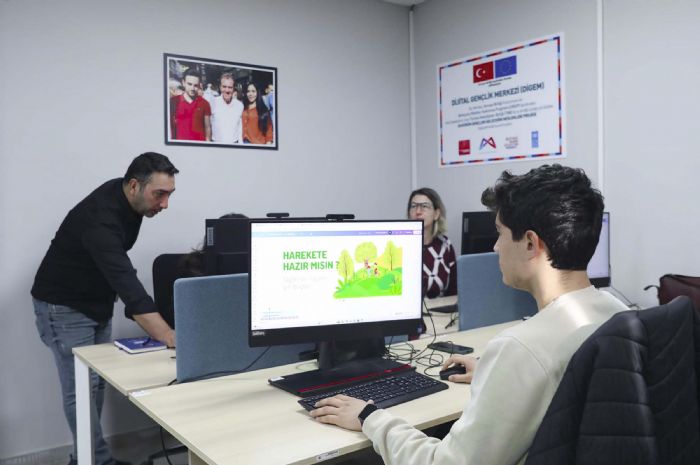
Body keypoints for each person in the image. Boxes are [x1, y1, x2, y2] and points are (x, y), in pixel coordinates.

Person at [309, 164, 629, 465]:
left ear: (531, 243)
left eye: (500, 233)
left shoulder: (521, 349)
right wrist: (498, 376)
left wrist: (370, 417)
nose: (496, 247)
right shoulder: (618, 313)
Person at [31, 152, 179, 465]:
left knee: (94, 385)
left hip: (96, 302)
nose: (165, 204)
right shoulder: (99, 217)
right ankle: (95, 460)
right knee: (80, 390)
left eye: (169, 195)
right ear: (135, 185)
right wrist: (168, 334)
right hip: (64, 307)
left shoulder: (127, 198)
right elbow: (124, 278)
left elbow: (116, 265)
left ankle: (87, 459)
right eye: (160, 195)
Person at [408, 187, 457, 299]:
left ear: (436, 214)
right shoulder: (401, 246)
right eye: (413, 206)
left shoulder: (445, 245)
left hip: (440, 309)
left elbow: (453, 291)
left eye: (424, 206)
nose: (418, 212)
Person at [170, 68, 211, 141]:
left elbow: (207, 127)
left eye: (195, 85)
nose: (192, 88)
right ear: (183, 82)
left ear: (199, 85)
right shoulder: (173, 102)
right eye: (189, 84)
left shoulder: (205, 103)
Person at [210, 73, 244, 144]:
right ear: (220, 87)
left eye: (230, 87)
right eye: (224, 86)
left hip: (234, 145)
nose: (227, 90)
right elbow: (208, 126)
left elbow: (240, 128)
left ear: (233, 88)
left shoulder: (239, 105)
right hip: (216, 145)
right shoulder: (213, 102)